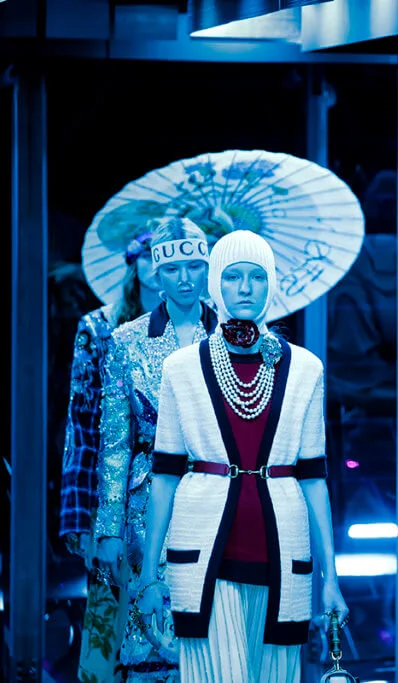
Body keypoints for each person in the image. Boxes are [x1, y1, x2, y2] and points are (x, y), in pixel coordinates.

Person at [138, 229, 348, 682]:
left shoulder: (306, 369)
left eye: (257, 276)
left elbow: (314, 477)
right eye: (233, 277)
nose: (246, 288)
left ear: (271, 283)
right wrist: (148, 573)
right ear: (216, 283)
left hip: (284, 556)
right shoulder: (181, 368)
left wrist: (331, 577)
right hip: (202, 554)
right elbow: (165, 474)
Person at [94, 217, 219, 681]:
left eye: (194, 266)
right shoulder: (125, 341)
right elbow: (114, 442)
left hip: (218, 492)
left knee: (217, 632)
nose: (184, 278)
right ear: (155, 274)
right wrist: (108, 527)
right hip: (147, 502)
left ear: (207, 268)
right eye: (172, 269)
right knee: (152, 638)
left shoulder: (232, 334)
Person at [59, 229, 161, 683]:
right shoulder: (99, 328)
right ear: (134, 264)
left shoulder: (197, 328)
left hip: (176, 487)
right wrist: (78, 518)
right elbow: (81, 426)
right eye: (150, 256)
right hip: (112, 495)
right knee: (110, 622)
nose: (158, 267)